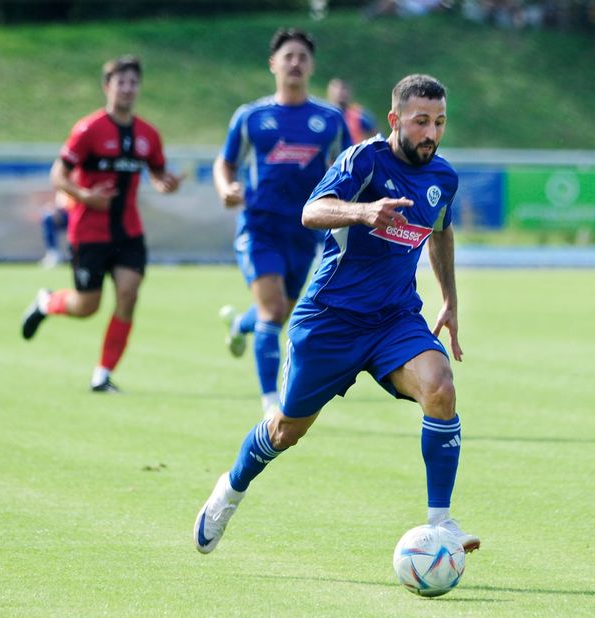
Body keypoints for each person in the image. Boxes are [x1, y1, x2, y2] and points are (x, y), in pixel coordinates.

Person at [194, 73, 479, 558]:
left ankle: (441, 524)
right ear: (395, 120)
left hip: (393, 319)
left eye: (439, 122)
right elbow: (313, 210)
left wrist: (449, 298)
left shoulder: (443, 177)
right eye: (420, 122)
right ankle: (230, 490)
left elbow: (441, 229)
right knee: (285, 430)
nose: (431, 133)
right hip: (329, 319)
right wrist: (365, 213)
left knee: (441, 387)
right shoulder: (364, 159)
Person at [20, 55, 183, 392]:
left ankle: (103, 374)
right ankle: (46, 302)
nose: (127, 89)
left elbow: (157, 173)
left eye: (133, 83)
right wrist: (85, 196)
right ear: (107, 87)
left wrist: (166, 183)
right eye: (120, 82)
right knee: (86, 306)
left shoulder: (148, 135)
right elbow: (58, 174)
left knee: (128, 293)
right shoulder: (88, 130)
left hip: (129, 232)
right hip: (89, 232)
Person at [214, 28, 351, 415]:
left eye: (302, 57)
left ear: (311, 67)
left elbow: (350, 168)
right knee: (273, 311)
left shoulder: (330, 120)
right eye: (288, 56)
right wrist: (226, 187)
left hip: (305, 233)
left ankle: (239, 325)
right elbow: (224, 162)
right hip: (260, 228)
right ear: (273, 64)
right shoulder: (251, 117)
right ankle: (270, 402)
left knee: (274, 312)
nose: (295, 63)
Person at [327, 77, 379, 143]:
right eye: (336, 87)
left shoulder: (360, 115)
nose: (340, 92)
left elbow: (377, 138)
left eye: (344, 88)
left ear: (350, 91)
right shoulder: (322, 113)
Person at [39, 190, 70, 268]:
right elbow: (61, 205)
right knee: (48, 218)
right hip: (65, 214)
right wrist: (55, 209)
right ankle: (53, 253)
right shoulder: (63, 186)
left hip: (80, 214)